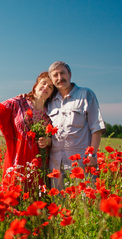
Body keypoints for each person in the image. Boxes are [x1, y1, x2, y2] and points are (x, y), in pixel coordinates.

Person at [0, 72, 55, 188]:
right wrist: (4, 134)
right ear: (35, 86)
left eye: (50, 87)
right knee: (14, 194)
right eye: (43, 83)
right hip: (18, 159)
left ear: (52, 93)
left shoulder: (53, 110)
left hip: (41, 162)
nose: (46, 87)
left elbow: (60, 135)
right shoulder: (18, 102)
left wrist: (49, 141)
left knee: (38, 198)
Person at [46, 61, 106, 190]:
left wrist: (93, 155)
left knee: (84, 204)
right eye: (55, 75)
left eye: (62, 73)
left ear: (70, 74)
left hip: (81, 163)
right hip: (56, 164)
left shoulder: (85, 94)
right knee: (59, 205)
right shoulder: (49, 101)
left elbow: (96, 127)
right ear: (51, 80)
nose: (59, 78)